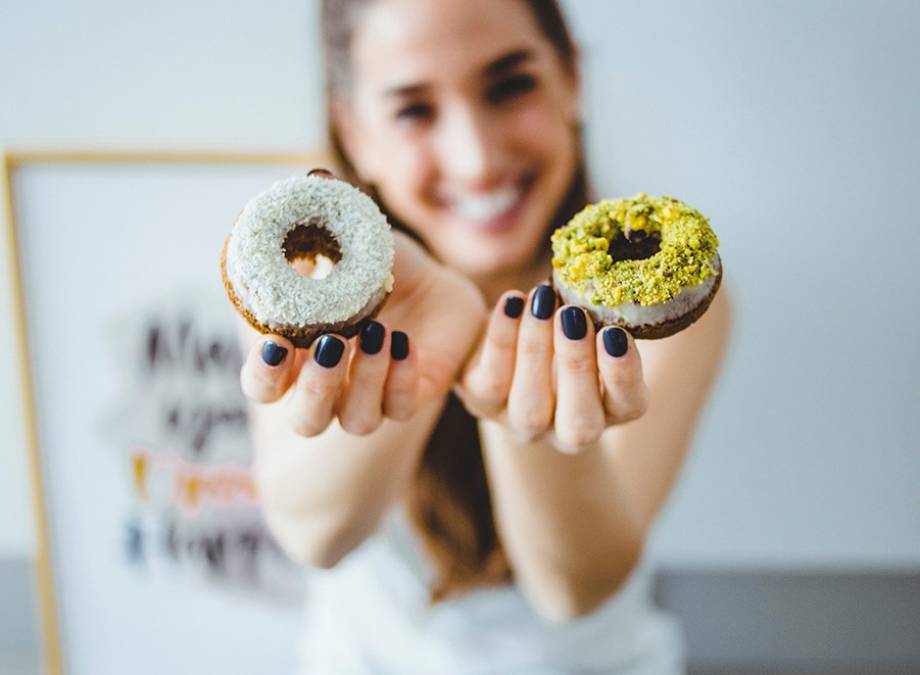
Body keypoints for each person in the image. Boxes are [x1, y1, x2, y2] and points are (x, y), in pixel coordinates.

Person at [239, 0, 732, 672]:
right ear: (355, 133)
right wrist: (414, 341)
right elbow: (315, 533)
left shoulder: (657, 302)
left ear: (571, 81)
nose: (476, 160)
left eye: (510, 85)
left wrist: (521, 414)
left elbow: (575, 587)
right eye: (415, 110)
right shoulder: (302, 275)